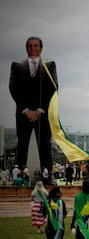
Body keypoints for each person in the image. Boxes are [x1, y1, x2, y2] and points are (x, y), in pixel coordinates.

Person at [9, 36, 58, 174]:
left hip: (42, 113)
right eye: (30, 46)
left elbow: (53, 88)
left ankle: (47, 171)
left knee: (45, 144)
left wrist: (39, 109)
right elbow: (13, 88)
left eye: (36, 46)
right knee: (22, 143)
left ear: (41, 48)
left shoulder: (49, 65)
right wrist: (26, 109)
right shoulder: (17, 65)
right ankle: (19, 171)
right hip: (23, 112)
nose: (33, 48)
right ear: (26, 48)